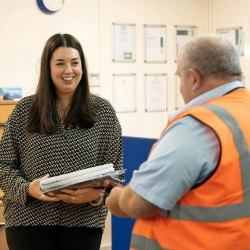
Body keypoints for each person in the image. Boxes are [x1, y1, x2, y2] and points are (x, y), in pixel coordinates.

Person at [106, 35, 250, 249]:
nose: (181, 88)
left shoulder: (197, 126)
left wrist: (115, 197)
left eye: (179, 77)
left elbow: (140, 203)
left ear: (194, 79)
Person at [0, 33, 123, 250]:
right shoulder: (24, 112)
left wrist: (97, 195)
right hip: (28, 224)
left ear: (82, 67)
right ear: (47, 69)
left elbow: (115, 173)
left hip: (83, 225)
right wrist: (28, 188)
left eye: (75, 63)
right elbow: (3, 167)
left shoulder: (103, 113)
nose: (69, 70)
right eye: (60, 63)